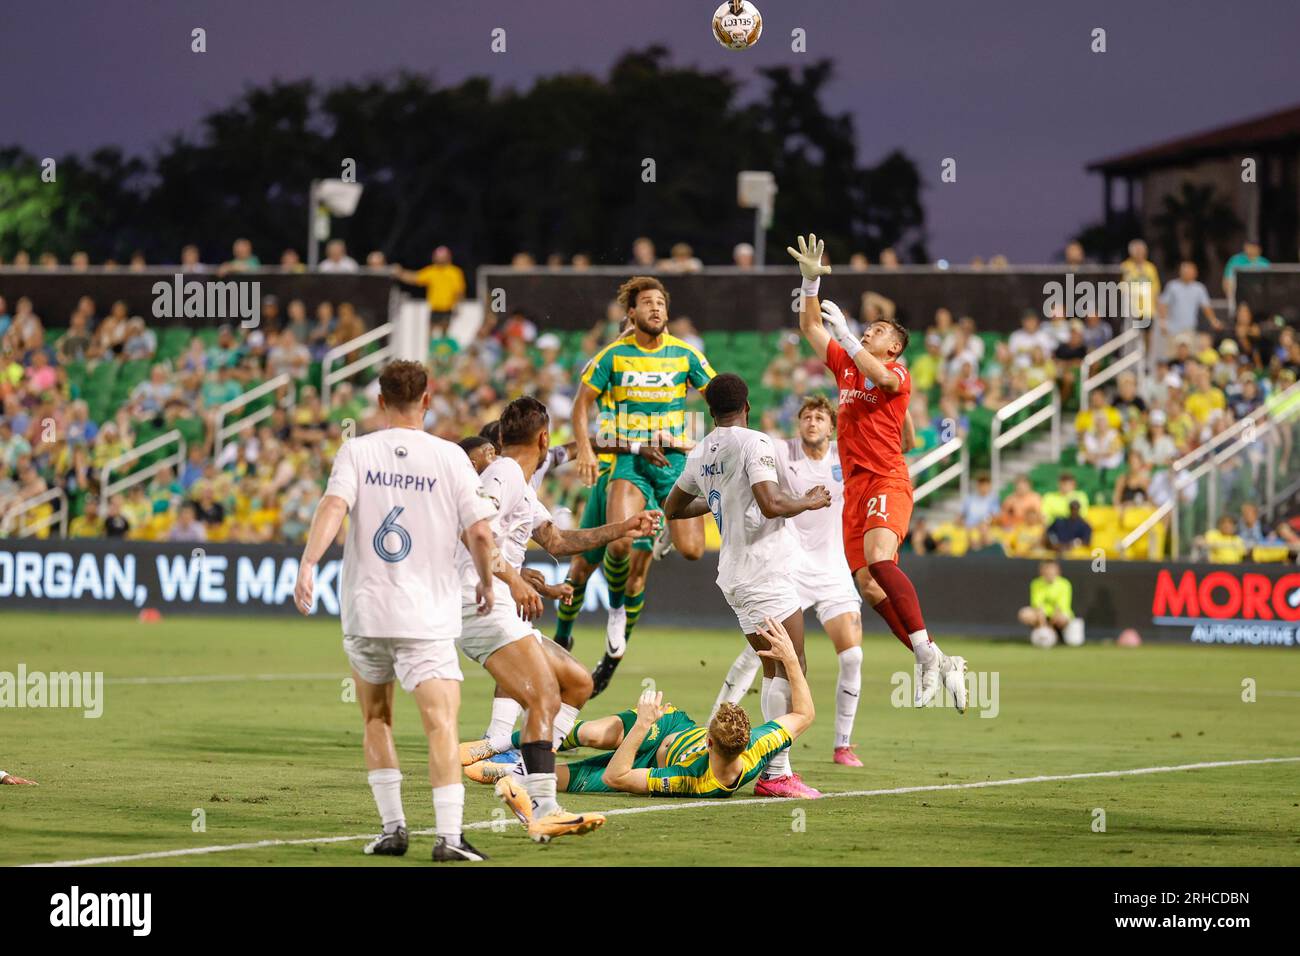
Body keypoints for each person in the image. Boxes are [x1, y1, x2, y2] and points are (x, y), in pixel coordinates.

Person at [294, 360, 498, 862]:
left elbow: (332, 507)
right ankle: (449, 837)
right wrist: (489, 583)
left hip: (366, 613)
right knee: (441, 724)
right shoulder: (450, 457)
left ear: (380, 402)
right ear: (426, 400)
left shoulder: (356, 451)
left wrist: (307, 563)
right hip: (425, 616)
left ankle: (393, 829)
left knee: (376, 718)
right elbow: (478, 532)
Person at [452, 397, 659, 842]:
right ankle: (541, 806)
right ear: (544, 439)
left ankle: (522, 771)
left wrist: (623, 528)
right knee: (544, 693)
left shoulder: (522, 484)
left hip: (499, 605)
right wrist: (513, 579)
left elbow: (560, 541)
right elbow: (474, 530)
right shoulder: (504, 474)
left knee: (578, 682)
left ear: (503, 436)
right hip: (480, 603)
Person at [789, 233, 968, 712]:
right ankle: (936, 657)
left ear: (896, 346)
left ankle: (927, 653)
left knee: (881, 559)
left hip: (887, 478)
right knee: (868, 585)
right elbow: (810, 330)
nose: (869, 331)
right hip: (855, 487)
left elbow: (884, 379)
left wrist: (848, 336)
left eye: (880, 330)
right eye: (868, 329)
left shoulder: (898, 373)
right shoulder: (847, 367)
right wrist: (809, 283)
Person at [661, 373, 830, 798]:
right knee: (792, 666)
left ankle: (776, 771)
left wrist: (720, 501)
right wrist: (809, 501)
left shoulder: (702, 451)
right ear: (747, 406)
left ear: (710, 411)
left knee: (776, 667)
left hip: (736, 575)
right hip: (762, 573)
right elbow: (772, 504)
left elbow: (673, 507)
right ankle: (777, 773)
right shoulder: (754, 441)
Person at [473, 617, 813, 806]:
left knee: (550, 779)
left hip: (641, 757)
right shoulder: (754, 746)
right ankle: (501, 744)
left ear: (709, 743)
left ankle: (511, 769)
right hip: (666, 727)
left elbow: (615, 777)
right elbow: (804, 715)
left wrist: (642, 724)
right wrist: (790, 658)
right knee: (591, 733)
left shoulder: (693, 782)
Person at [571, 277, 716, 693]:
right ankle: (616, 610)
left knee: (692, 550)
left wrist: (722, 439)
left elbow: (718, 395)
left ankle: (666, 530)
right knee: (618, 544)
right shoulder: (613, 356)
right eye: (647, 303)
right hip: (630, 459)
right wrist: (584, 448)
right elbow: (582, 404)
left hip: (673, 460)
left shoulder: (686, 355)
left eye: (660, 303)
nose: (655, 308)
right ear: (630, 313)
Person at [710, 394, 867, 767]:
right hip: (789, 567)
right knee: (762, 654)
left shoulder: (845, 457)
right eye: (806, 417)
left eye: (819, 418)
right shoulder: (780, 451)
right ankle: (715, 723)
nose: (812, 423)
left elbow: (901, 446)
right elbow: (738, 444)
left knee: (853, 656)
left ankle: (843, 744)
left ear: (831, 426)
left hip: (831, 571)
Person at [395, 246, 466, 329]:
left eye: (442, 257)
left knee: (445, 336)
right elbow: (415, 278)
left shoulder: (455, 272)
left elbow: (459, 291)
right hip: (434, 309)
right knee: (431, 335)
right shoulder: (432, 271)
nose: (440, 259)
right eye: (438, 257)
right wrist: (401, 273)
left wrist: (458, 305)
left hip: (448, 309)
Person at [1017, 560, 1084, 647]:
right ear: (1042, 572)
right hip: (1043, 616)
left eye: (1052, 570)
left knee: (1063, 618)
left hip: (1058, 616)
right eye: (1047, 570)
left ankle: (1058, 636)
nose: (1049, 572)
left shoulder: (1064, 584)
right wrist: (1043, 627)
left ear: (1058, 571)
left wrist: (1050, 629)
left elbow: (1059, 608)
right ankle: (1040, 634)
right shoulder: (1036, 583)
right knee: (1024, 614)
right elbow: (1038, 606)